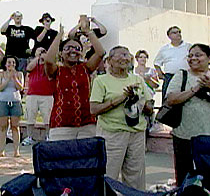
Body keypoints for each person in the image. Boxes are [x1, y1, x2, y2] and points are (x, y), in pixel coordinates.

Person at [90, 46, 153, 190]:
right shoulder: (101, 81)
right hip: (112, 134)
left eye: (127, 55)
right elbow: (94, 110)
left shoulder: (137, 79)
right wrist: (121, 98)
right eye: (120, 55)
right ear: (110, 61)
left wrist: (138, 99)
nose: (124, 58)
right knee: (108, 174)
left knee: (136, 176)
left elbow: (149, 106)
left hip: (137, 133)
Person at [44, 17, 105, 141]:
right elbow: (49, 60)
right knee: (61, 159)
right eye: (68, 48)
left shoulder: (86, 68)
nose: (73, 51)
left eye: (77, 49)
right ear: (60, 53)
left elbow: (100, 53)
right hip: (61, 125)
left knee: (85, 159)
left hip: (87, 124)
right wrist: (59, 36)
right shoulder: (56, 71)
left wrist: (88, 31)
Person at [166, 44, 210, 186]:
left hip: (208, 137)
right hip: (184, 136)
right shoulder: (182, 75)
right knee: (185, 180)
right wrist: (195, 88)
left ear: (209, 58)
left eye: (198, 55)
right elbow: (172, 99)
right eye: (190, 55)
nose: (193, 58)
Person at [21, 47, 54, 146]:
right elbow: (29, 68)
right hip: (32, 94)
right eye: (40, 51)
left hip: (47, 95)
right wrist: (37, 58)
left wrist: (46, 58)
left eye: (44, 51)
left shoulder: (49, 64)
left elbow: (51, 70)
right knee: (30, 117)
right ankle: (30, 137)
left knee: (48, 118)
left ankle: (49, 136)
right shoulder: (33, 63)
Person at [154, 26, 191, 101]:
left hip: (185, 76)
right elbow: (156, 62)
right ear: (169, 36)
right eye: (174, 32)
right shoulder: (164, 49)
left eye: (179, 32)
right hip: (169, 77)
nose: (178, 34)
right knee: (166, 100)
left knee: (186, 98)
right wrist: (160, 73)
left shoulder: (188, 47)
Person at [0, 56, 24, 157]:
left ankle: (16, 150)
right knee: (3, 127)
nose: (11, 64)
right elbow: (0, 88)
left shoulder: (19, 74)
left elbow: (20, 88)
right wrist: (7, 78)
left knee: (15, 126)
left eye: (13, 62)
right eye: (9, 62)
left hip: (15, 101)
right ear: (5, 64)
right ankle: (1, 150)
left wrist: (14, 78)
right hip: (3, 101)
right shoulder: (1, 74)